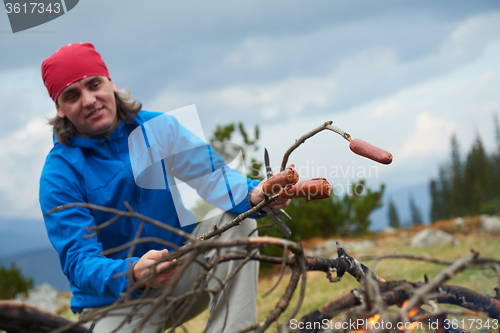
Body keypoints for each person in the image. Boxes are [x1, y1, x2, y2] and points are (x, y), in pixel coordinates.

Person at [39, 42, 290, 333]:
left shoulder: (159, 127)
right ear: (59, 108)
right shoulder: (59, 173)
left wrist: (253, 194)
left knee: (237, 225)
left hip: (179, 272)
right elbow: (79, 261)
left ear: (111, 83)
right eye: (72, 95)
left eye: (94, 84)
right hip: (115, 303)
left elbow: (212, 176)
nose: (89, 99)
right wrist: (133, 271)